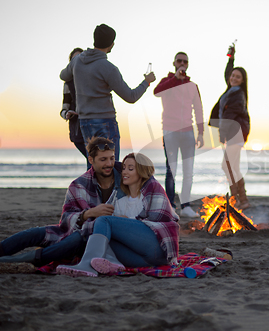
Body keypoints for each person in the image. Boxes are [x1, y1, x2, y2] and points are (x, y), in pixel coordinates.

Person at [0, 137, 125, 268]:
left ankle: (22, 261)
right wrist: (87, 214)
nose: (109, 164)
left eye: (111, 158)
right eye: (103, 159)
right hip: (78, 229)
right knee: (33, 233)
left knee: (78, 239)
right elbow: (65, 220)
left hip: (99, 238)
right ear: (91, 160)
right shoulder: (79, 184)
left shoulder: (126, 177)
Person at [57, 152, 180, 277]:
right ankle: (114, 263)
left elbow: (161, 218)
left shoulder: (154, 189)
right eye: (124, 168)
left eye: (130, 169)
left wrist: (129, 221)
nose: (124, 172)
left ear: (142, 171)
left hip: (157, 250)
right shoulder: (119, 199)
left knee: (105, 221)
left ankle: (87, 265)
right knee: (101, 234)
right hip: (140, 260)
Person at [60, 24, 156, 160]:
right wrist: (147, 82)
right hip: (105, 122)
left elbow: (63, 76)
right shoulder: (109, 69)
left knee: (94, 167)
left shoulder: (77, 61)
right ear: (112, 44)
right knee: (110, 166)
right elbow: (130, 96)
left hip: (85, 122)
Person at [154, 52, 204, 218]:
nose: (182, 63)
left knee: (188, 170)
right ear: (174, 63)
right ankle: (171, 206)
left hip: (188, 132)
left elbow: (198, 109)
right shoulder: (167, 82)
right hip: (170, 131)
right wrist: (175, 79)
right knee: (171, 170)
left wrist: (201, 133)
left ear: (188, 64)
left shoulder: (193, 86)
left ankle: (186, 206)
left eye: (185, 61)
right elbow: (156, 92)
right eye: (179, 61)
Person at [209, 46, 251, 210]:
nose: (233, 78)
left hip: (236, 134)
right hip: (235, 134)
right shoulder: (231, 89)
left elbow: (229, 117)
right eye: (232, 75)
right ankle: (241, 200)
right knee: (232, 166)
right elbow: (228, 73)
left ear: (242, 80)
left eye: (237, 77)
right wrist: (231, 58)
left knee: (227, 166)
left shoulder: (237, 94)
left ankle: (238, 198)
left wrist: (222, 134)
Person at [60, 47, 89, 167]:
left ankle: (91, 185)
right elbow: (63, 108)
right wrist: (67, 113)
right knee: (92, 161)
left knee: (93, 161)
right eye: (73, 60)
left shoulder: (91, 78)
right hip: (77, 130)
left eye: (80, 58)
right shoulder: (68, 83)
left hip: (93, 126)